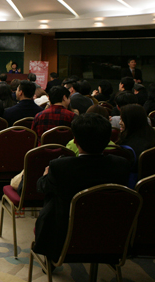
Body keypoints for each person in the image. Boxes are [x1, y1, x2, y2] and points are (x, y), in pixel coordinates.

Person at [33, 112, 131, 262]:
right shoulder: (121, 165)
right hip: (109, 237)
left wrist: (46, 176)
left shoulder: (60, 167)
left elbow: (42, 188)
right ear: (108, 140)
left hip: (64, 240)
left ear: (75, 140)